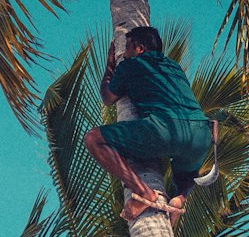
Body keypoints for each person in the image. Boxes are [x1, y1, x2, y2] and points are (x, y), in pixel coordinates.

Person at [84, 26, 217, 224]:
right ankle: (180, 197)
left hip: (163, 130)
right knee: (186, 172)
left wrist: (111, 66)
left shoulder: (131, 65)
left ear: (140, 49)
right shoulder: (174, 67)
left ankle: (142, 192)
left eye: (128, 48)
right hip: (201, 135)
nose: (126, 53)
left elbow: (108, 97)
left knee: (93, 139)